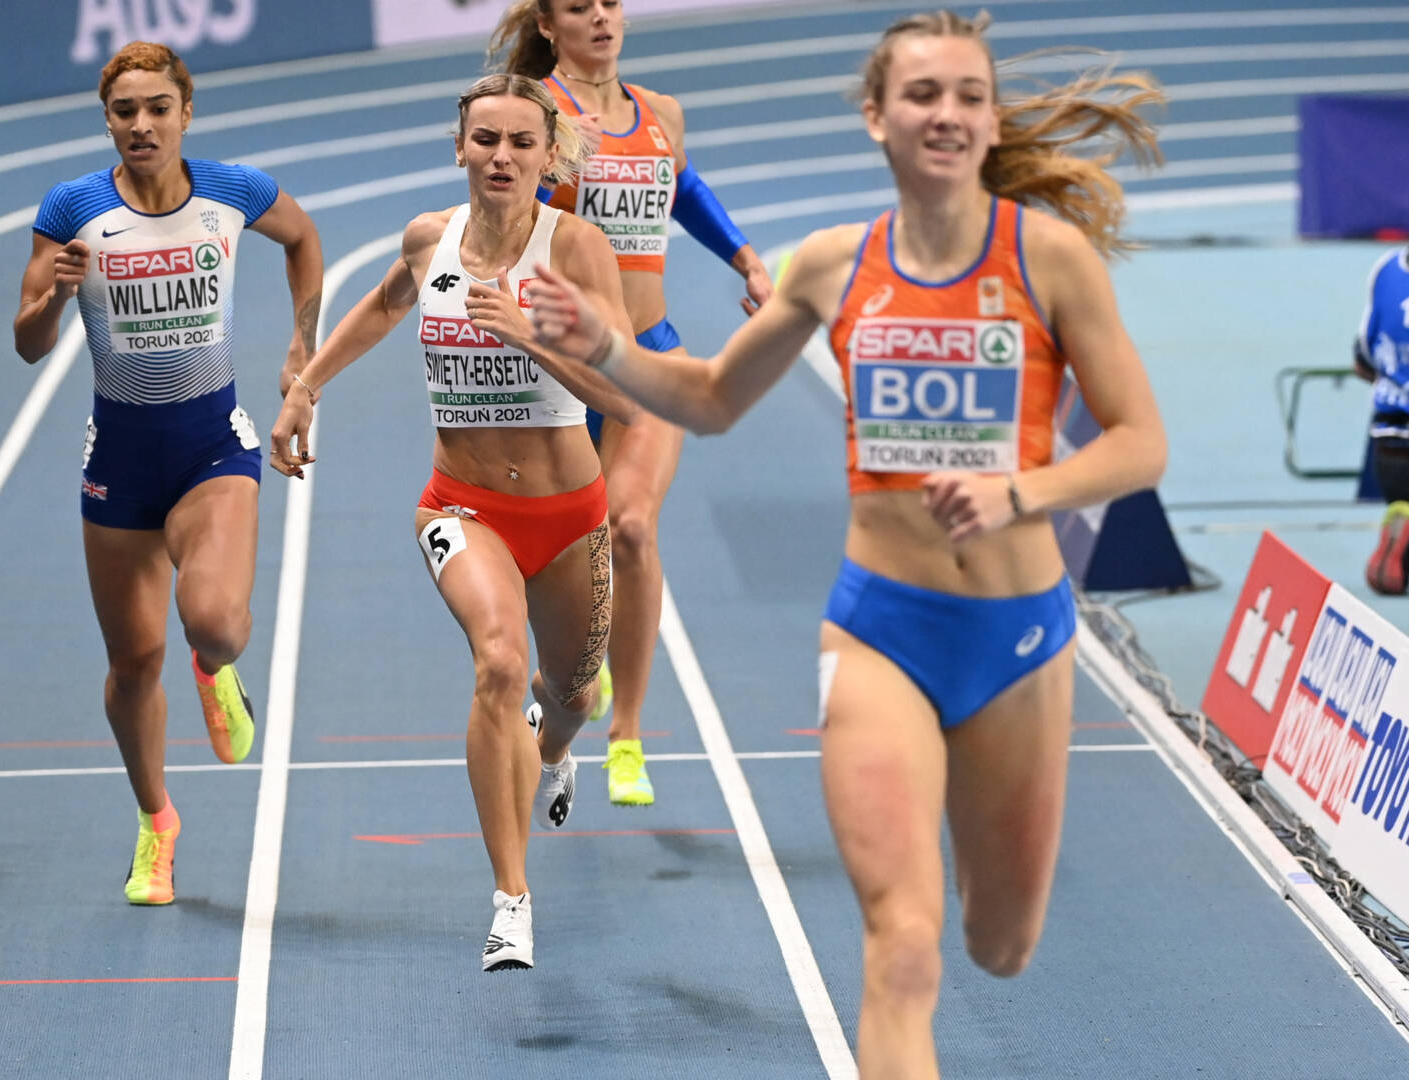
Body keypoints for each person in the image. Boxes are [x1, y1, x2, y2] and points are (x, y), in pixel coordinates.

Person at [523, 11, 1167, 1071]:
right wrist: (608, 347)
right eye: (922, 94)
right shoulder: (834, 264)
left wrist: (1020, 491)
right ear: (877, 116)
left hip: (1018, 637)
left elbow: (1141, 443)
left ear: (990, 119)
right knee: (901, 947)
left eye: (968, 95)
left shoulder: (1048, 259)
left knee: (999, 944)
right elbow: (713, 398)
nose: (946, 114)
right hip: (881, 630)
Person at [268, 73, 636, 971]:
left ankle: (556, 751)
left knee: (574, 693)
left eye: (521, 142)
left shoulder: (576, 250)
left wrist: (528, 334)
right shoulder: (428, 239)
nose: (501, 157)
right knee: (499, 663)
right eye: (486, 140)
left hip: (569, 514)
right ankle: (512, 899)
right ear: (461, 146)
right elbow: (386, 304)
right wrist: (306, 385)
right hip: (463, 506)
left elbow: (626, 392)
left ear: (548, 157)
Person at [14, 42, 322, 907]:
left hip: (210, 447)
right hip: (119, 462)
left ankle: (215, 670)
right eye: (125, 111)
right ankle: (157, 822)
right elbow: (28, 343)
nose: (142, 125)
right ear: (107, 120)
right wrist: (53, 294)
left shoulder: (233, 192)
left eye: (158, 108)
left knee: (213, 624)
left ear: (187, 111)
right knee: (132, 664)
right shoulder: (72, 209)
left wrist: (301, 345)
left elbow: (303, 238)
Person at [492, 0, 774, 806]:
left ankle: (627, 735)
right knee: (562, 550)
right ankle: (582, 659)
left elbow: (684, 188)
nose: (601, 18)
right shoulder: (537, 113)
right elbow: (505, 214)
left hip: (650, 355)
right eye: (579, 7)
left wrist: (747, 261)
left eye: (610, 3)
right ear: (549, 26)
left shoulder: (661, 114)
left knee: (633, 528)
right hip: (563, 364)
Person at [1352, 244, 1409, 593]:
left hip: (1388, 440)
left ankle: (1401, 513)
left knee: (1402, 498)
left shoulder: (1386, 268)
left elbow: (1362, 358)